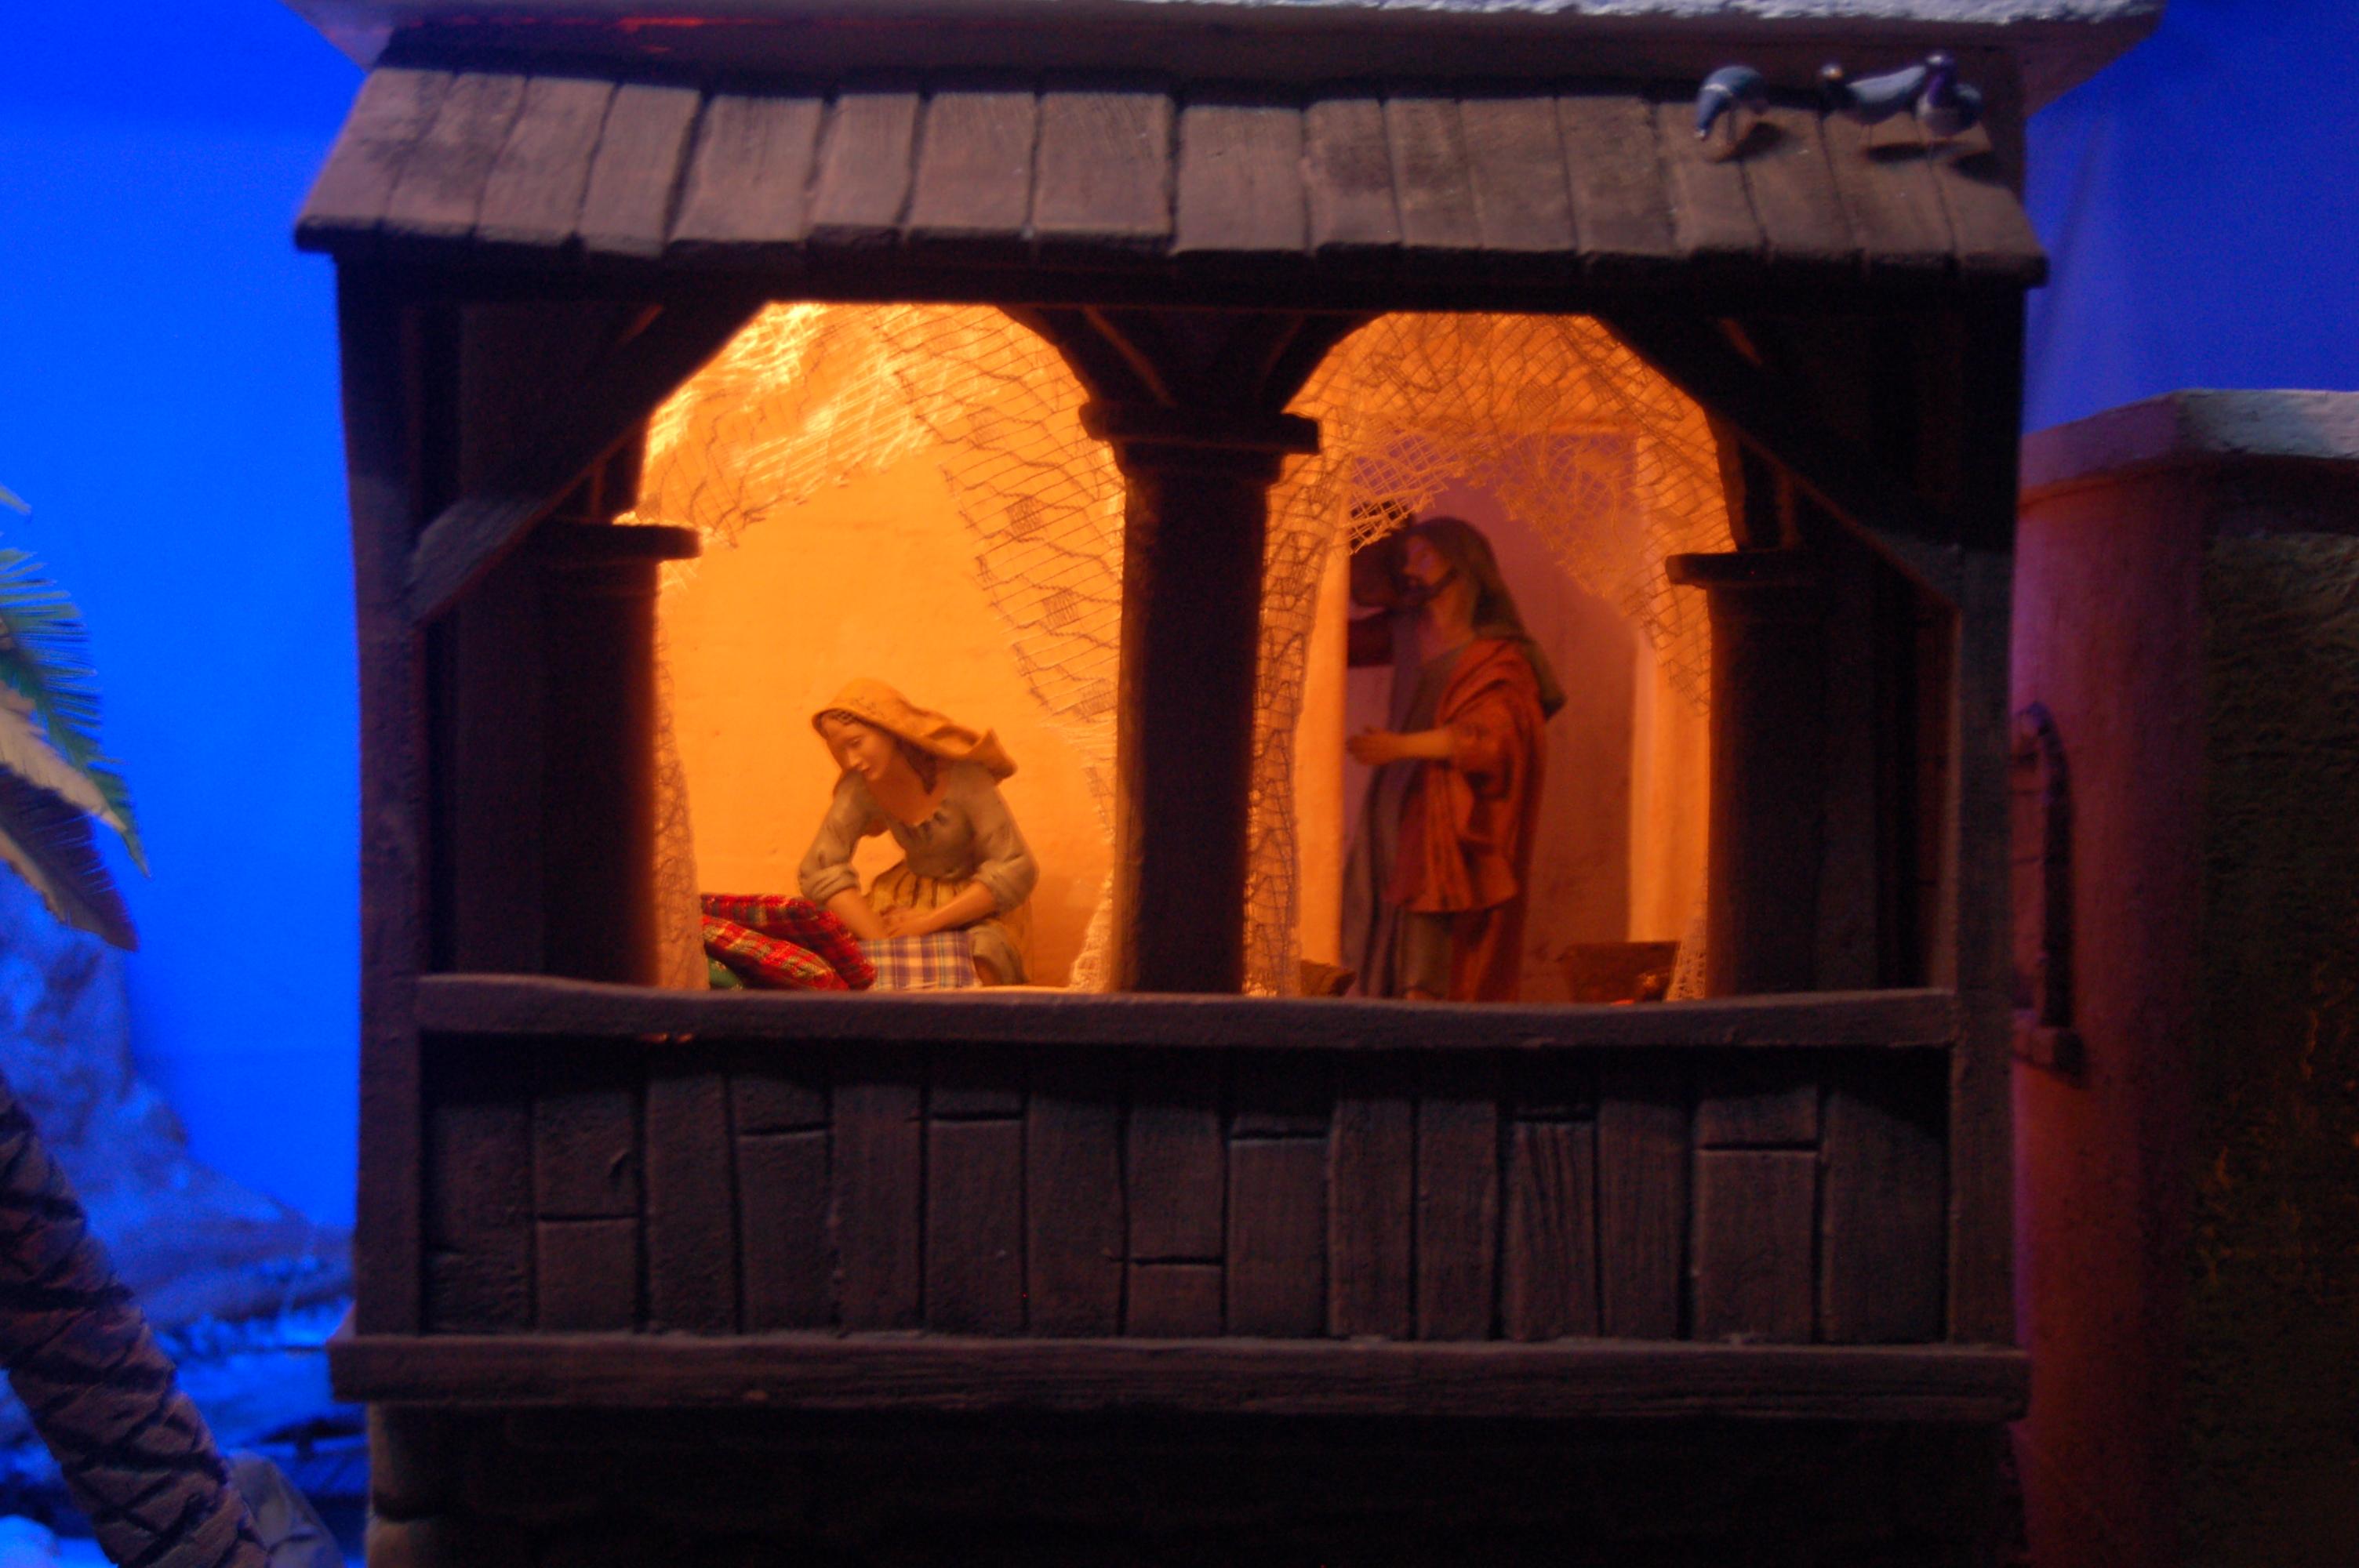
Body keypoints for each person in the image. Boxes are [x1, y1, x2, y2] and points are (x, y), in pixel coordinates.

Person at [1339, 516, 1564, 1002]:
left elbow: (1495, 740)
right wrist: (1355, 555)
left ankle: (1425, 1013)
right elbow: (1337, 643)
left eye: (1423, 557)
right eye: (1407, 558)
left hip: (1449, 809)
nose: (1410, 569)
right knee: (1379, 916)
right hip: (1393, 801)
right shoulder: (1405, 631)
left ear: (1462, 564)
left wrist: (1402, 747)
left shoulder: (1500, 658)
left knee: (1430, 919)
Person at [798, 678, 1038, 985]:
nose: (851, 761)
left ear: (888, 729)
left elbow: (1016, 867)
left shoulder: (964, 777)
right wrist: (882, 940)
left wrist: (927, 924)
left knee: (983, 956)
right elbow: (819, 867)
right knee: (836, 957)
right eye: (839, 751)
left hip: (973, 905)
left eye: (856, 743)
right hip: (905, 898)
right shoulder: (861, 788)